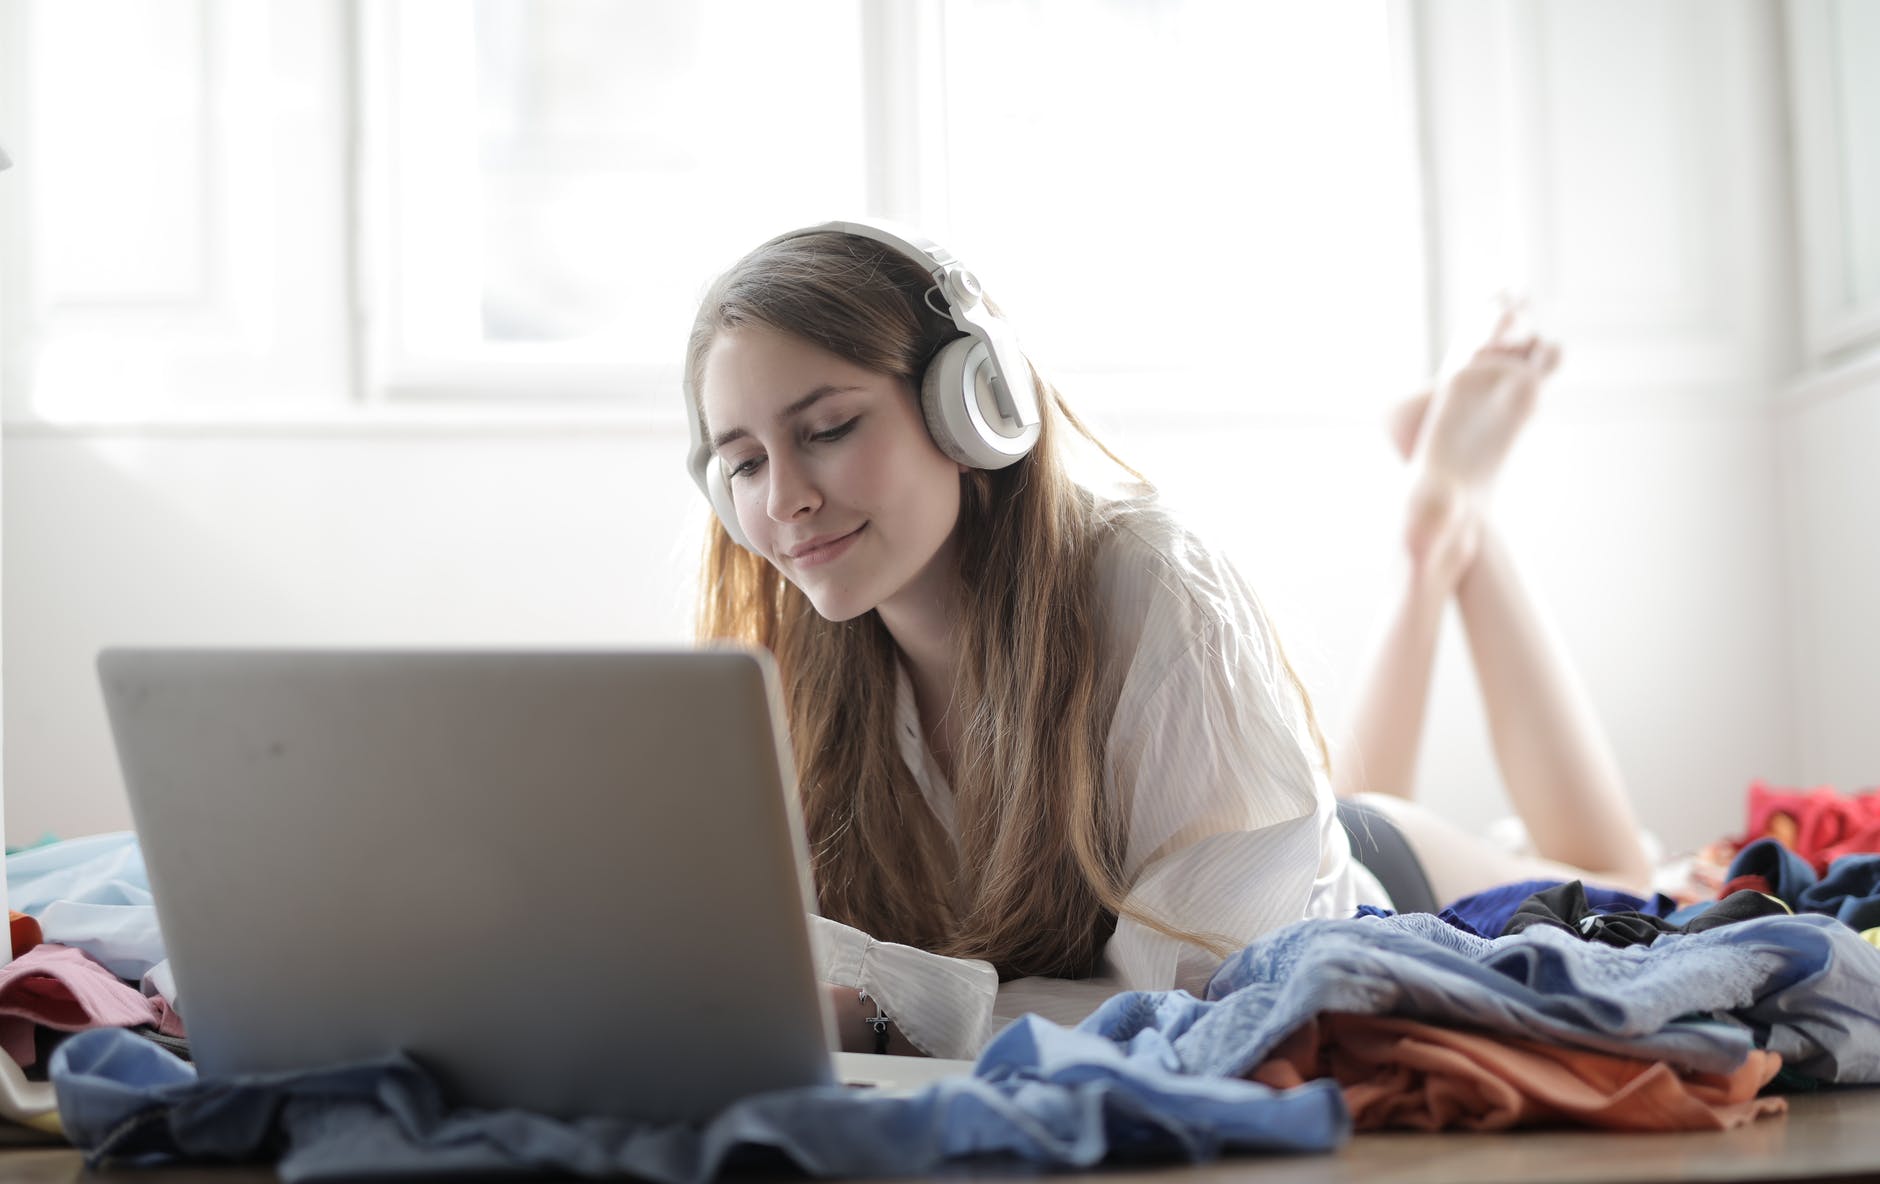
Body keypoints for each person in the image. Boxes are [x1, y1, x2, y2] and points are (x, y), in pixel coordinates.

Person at [680, 220, 1653, 1060]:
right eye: (746, 462)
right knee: (1341, 789)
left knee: (1626, 880)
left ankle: (1440, 521)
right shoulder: (792, 652)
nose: (785, 499)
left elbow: (1209, 1000)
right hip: (1258, 834)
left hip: (1343, 899)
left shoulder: (1150, 581)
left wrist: (886, 1017)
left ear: (973, 403)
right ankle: (1435, 527)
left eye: (830, 427)